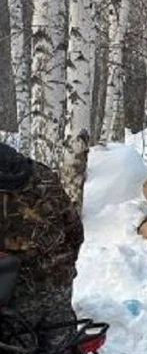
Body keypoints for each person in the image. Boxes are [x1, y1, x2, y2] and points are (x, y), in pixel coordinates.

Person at [0, 142, 84, 339]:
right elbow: (74, 229)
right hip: (59, 282)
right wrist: (64, 264)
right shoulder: (43, 175)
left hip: (16, 292)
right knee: (60, 353)